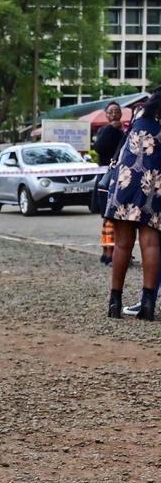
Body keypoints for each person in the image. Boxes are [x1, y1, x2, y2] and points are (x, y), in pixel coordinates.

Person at [104, 89, 161, 320]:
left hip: (126, 179)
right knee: (150, 243)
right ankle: (147, 306)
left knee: (122, 244)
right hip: (154, 183)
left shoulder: (139, 113)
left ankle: (114, 303)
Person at [94, 101, 125, 266]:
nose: (114, 114)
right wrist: (111, 128)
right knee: (107, 217)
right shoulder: (103, 131)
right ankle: (107, 253)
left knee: (117, 217)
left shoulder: (125, 132)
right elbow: (99, 148)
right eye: (111, 111)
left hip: (121, 178)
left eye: (117, 111)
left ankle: (116, 252)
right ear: (106, 115)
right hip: (106, 180)